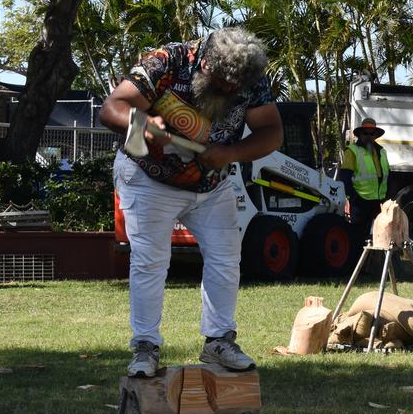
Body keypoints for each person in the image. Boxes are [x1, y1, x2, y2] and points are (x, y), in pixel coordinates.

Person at [101, 27, 282, 378]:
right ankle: (145, 347)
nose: (230, 91)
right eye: (222, 84)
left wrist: (231, 152)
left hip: (211, 185)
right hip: (148, 176)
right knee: (150, 263)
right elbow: (112, 108)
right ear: (205, 64)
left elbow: (271, 132)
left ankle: (218, 341)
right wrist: (141, 122)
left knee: (226, 256)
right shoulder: (167, 62)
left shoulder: (249, 79)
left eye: (236, 88)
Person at [338, 118, 390, 242]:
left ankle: (373, 261)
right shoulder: (353, 151)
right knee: (358, 237)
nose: (368, 136)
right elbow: (344, 178)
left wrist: (387, 197)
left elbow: (387, 175)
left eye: (371, 133)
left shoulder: (382, 152)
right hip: (360, 203)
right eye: (365, 133)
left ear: (376, 135)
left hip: (379, 202)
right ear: (360, 134)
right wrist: (354, 197)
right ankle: (356, 261)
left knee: (380, 237)